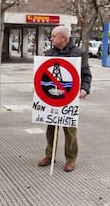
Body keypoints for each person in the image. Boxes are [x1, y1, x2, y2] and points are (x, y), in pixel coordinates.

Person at [38, 25, 92, 172]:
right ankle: (49, 155)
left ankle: (70, 159)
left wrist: (85, 89)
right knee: (50, 129)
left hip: (69, 99)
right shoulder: (49, 53)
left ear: (63, 38)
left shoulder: (78, 54)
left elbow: (86, 74)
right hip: (52, 98)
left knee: (70, 131)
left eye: (54, 36)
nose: (51, 38)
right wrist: (38, 87)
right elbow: (43, 73)